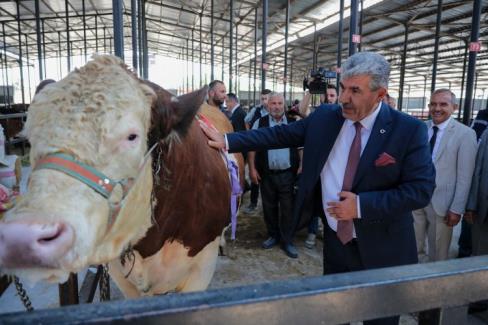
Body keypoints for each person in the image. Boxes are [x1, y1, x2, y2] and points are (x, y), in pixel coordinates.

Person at [200, 51, 435, 325]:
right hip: (337, 241)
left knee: (380, 318)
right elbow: (279, 134)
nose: (344, 97)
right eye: (343, 87)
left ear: (380, 94)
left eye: (355, 91)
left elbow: (421, 189)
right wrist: (227, 140)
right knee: (336, 311)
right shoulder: (327, 117)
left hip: (383, 247)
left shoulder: (408, 130)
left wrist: (360, 205)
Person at [412, 89, 477, 263]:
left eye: (443, 104)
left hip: (443, 203)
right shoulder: (421, 128)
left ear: (454, 107)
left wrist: (457, 208)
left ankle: (434, 286)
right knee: (412, 247)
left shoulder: (465, 134)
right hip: (416, 198)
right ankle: (412, 282)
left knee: (438, 253)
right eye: (433, 104)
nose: (437, 108)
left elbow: (465, 176)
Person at [248, 92, 301, 258]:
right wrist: (252, 169)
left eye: (279, 103)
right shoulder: (260, 122)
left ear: (284, 105)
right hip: (267, 174)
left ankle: (287, 241)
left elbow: (301, 147)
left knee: (287, 209)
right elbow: (252, 147)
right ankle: (273, 236)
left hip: (287, 174)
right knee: (269, 207)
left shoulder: (293, 122)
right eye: (273, 103)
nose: (277, 106)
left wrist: (302, 165)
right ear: (267, 105)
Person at [458, 108, 488, 258]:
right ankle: (464, 253)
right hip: (482, 202)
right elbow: (478, 168)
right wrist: (471, 205)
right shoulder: (484, 120)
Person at [243, 89, 272, 213]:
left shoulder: (275, 109)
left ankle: (270, 204)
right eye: (262, 98)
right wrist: (250, 134)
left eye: (266, 98)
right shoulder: (256, 110)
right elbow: (246, 121)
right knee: (255, 175)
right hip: (258, 146)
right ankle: (253, 203)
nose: (264, 101)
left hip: (271, 146)